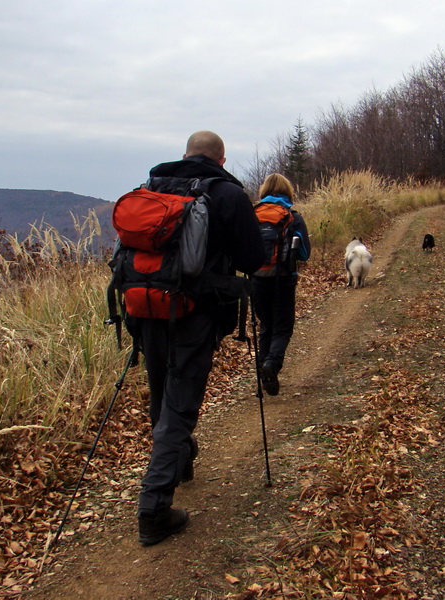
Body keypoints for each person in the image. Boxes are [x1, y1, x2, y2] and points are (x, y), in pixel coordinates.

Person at [132, 131, 265, 545]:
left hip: (146, 307)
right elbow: (253, 260)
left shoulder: (150, 187)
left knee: (161, 392)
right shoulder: (227, 194)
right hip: (195, 311)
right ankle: (154, 510)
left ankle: (180, 462)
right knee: (181, 404)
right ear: (221, 159)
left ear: (185, 154)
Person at [251, 173, 311, 396]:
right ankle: (271, 365)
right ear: (288, 191)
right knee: (283, 328)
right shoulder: (293, 217)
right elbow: (304, 253)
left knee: (266, 327)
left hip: (257, 278)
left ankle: (262, 378)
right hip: (284, 279)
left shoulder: (253, 215)